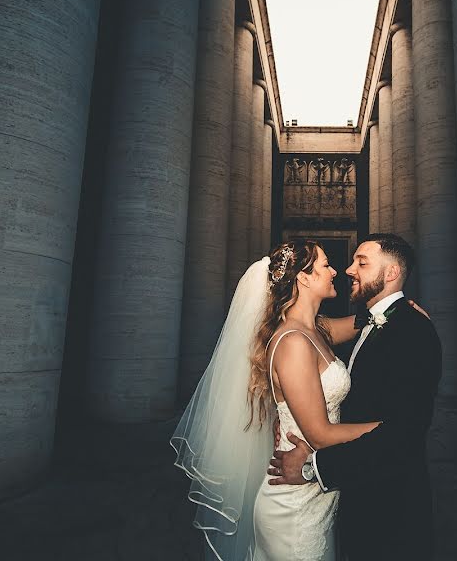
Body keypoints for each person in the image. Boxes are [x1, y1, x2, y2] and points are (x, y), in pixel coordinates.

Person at [171, 239, 426, 559]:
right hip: (295, 500)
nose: (337, 271)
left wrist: (398, 310)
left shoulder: (317, 330)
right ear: (304, 278)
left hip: (320, 492)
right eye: (325, 265)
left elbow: (365, 322)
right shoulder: (292, 341)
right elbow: (319, 433)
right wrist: (393, 428)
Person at [268, 233, 442, 560]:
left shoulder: (411, 332)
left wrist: (310, 466)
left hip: (391, 507)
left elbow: (405, 433)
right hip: (352, 491)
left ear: (390, 274)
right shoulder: (312, 333)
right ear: (303, 278)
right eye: (329, 264)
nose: (345, 269)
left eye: (361, 262)